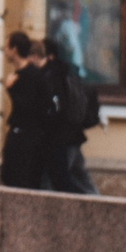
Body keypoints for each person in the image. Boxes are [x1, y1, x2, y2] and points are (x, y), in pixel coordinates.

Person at [39, 39, 99, 196]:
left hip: (62, 137)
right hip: (74, 133)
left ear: (50, 56)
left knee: (58, 179)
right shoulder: (71, 72)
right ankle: (99, 204)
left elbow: (58, 108)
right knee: (80, 176)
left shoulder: (54, 75)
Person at [0, 32, 53, 190]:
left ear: (14, 50)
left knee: (22, 183)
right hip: (21, 136)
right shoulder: (22, 74)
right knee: (9, 178)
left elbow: (28, 108)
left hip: (28, 140)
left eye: (7, 46)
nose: (4, 50)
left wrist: (11, 89)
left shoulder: (31, 76)